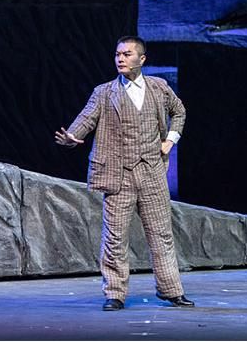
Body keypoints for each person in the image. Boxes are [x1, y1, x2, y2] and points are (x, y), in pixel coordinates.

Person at [55, 36, 194, 310]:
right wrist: (72, 136)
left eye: (127, 54)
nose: (120, 58)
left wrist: (171, 140)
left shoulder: (159, 87)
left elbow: (179, 112)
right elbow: (86, 118)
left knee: (162, 235)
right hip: (118, 176)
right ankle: (115, 293)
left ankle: (171, 290)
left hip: (152, 173)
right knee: (115, 238)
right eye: (118, 54)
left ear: (142, 59)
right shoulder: (104, 92)